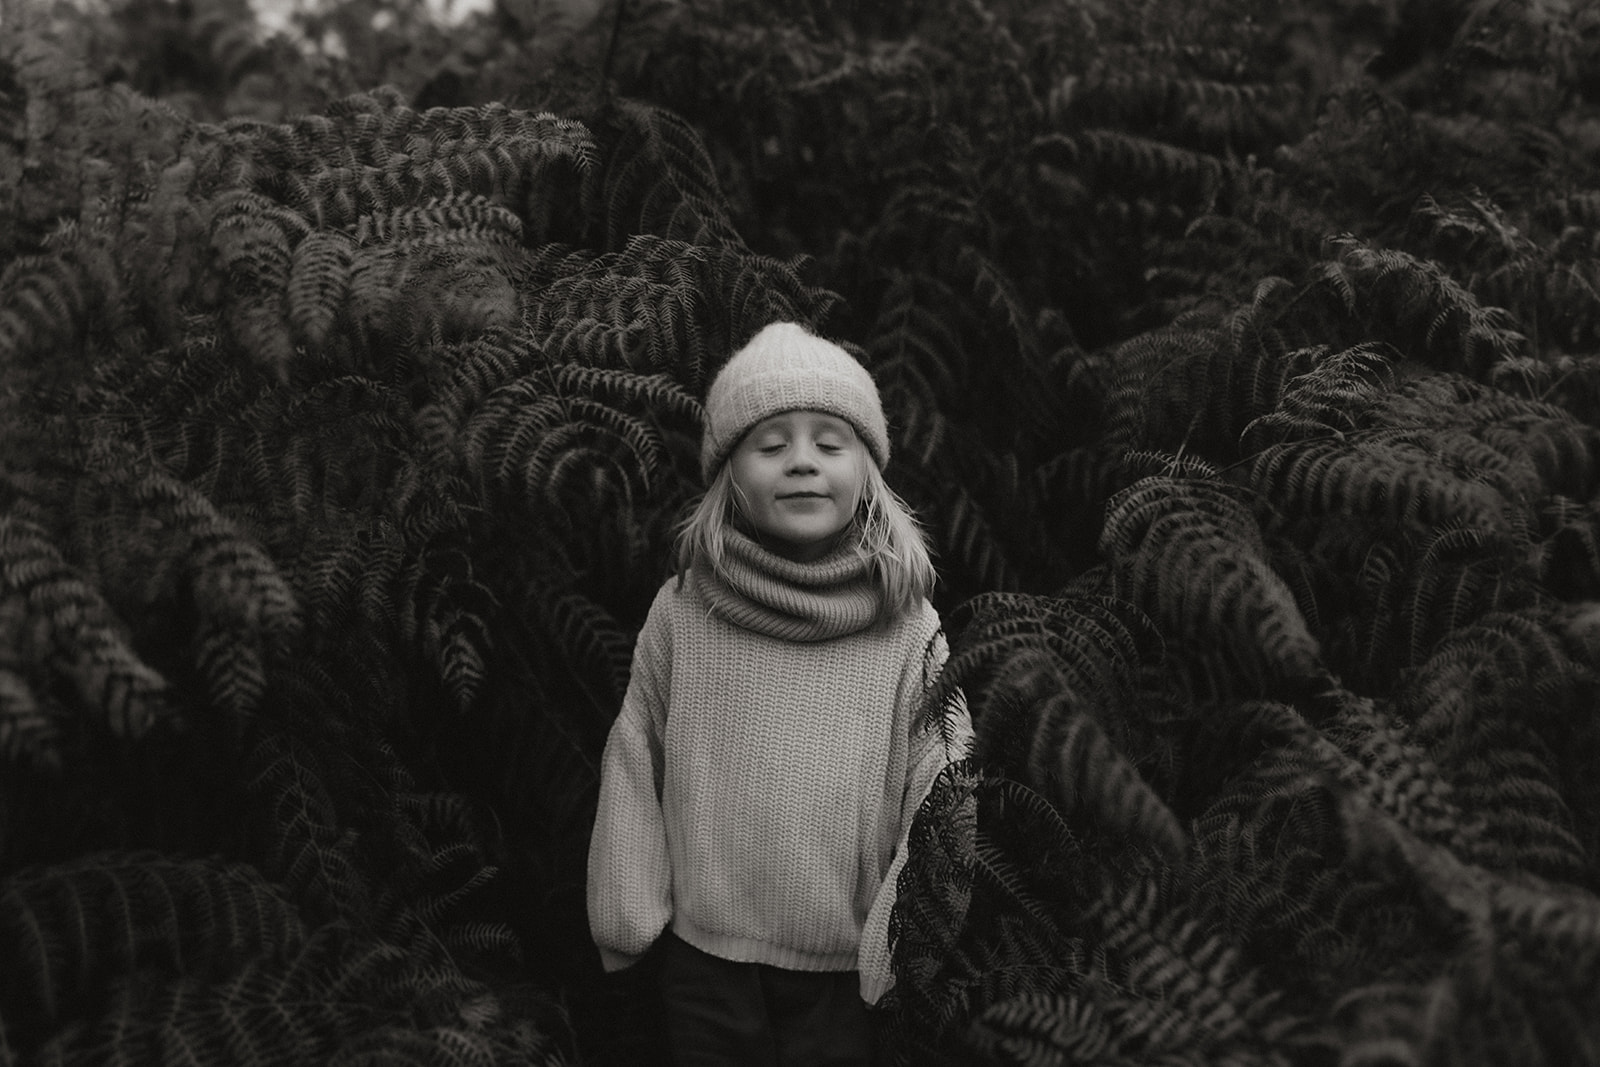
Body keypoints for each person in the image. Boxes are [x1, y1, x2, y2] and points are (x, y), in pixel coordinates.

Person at [585, 321, 974, 1065]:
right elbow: (636, 754)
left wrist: (902, 952)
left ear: (867, 471)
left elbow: (944, 787)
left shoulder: (907, 627)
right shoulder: (684, 611)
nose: (801, 462)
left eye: (830, 443)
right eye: (771, 445)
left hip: (847, 981)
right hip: (702, 969)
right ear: (731, 474)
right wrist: (625, 926)